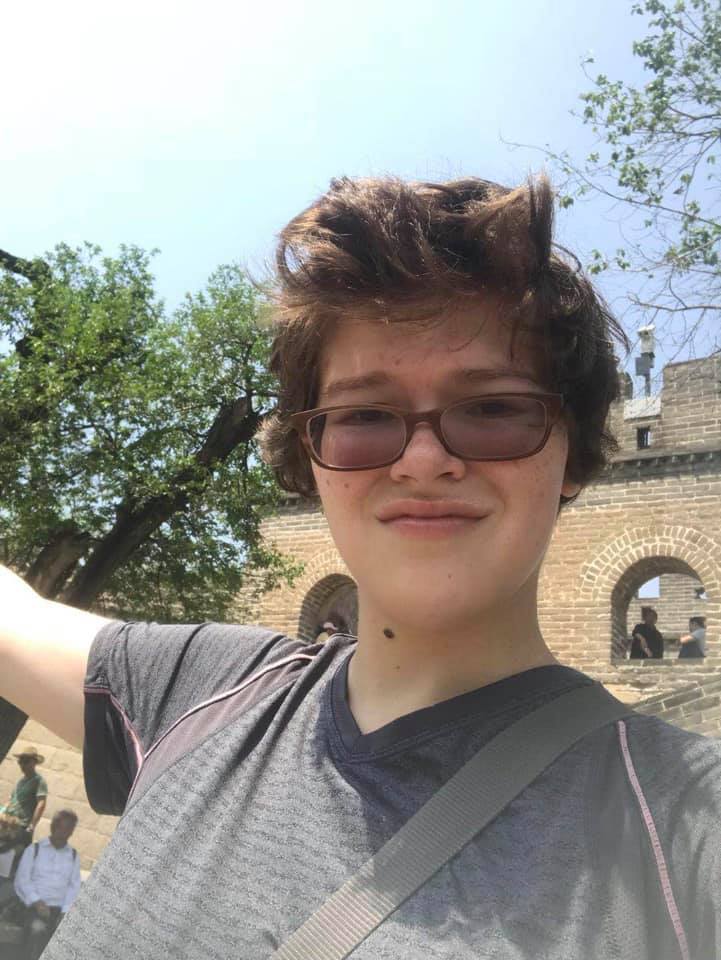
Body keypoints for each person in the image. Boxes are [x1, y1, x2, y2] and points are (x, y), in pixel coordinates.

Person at [0, 174, 720, 960]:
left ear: (573, 454)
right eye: (363, 417)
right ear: (312, 462)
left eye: (490, 409)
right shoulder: (197, 693)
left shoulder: (675, 818)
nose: (420, 460)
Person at [13, 810, 81, 960]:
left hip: (59, 911)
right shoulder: (35, 850)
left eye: (69, 828)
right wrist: (37, 902)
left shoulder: (73, 856)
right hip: (34, 908)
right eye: (61, 827)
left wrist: (65, 911)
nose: (64, 832)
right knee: (38, 930)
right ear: (53, 827)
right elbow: (22, 880)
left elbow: (74, 886)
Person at [0, 748, 48, 858]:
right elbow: (11, 800)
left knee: (15, 857)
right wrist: (3, 811)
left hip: (22, 825)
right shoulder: (20, 781)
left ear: (34, 762)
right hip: (8, 823)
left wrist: (32, 825)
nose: (22, 764)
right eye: (20, 761)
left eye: (26, 761)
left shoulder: (39, 781)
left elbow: (41, 804)